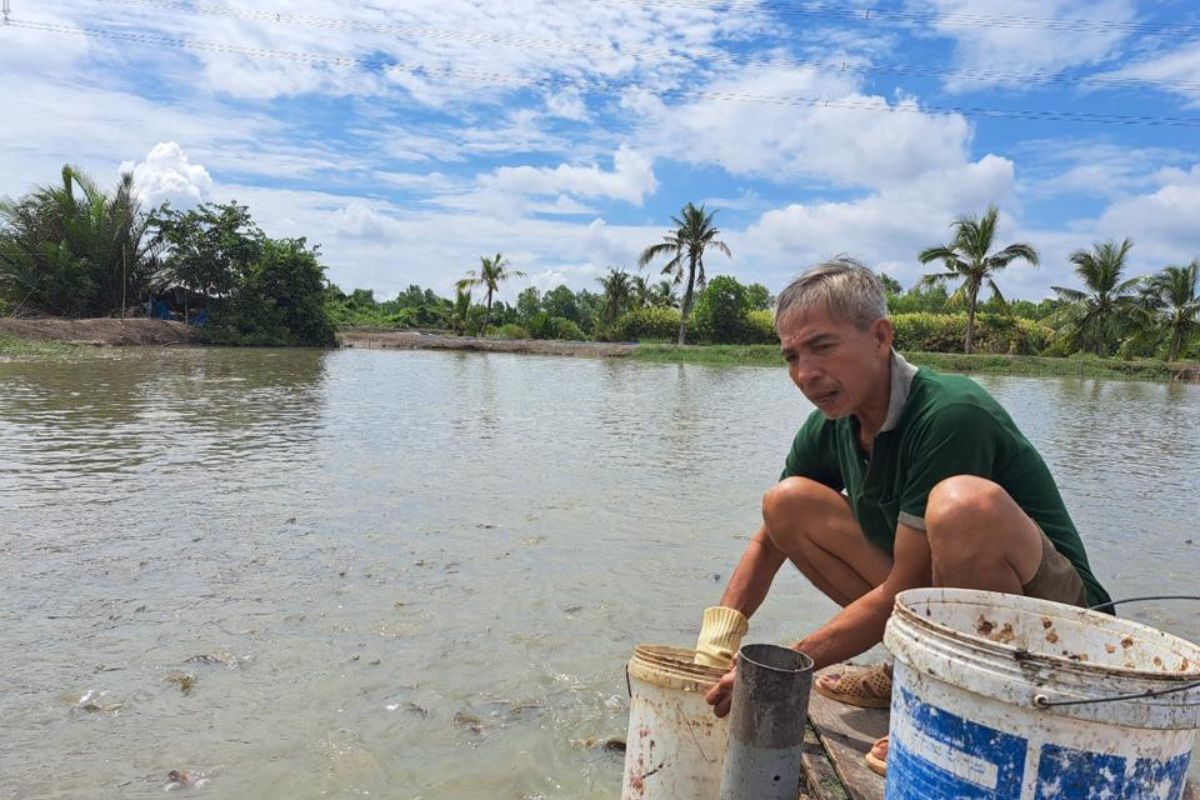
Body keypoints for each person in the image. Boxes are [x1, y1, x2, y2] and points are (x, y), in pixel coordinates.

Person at [694, 257, 1111, 777]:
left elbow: (905, 586)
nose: (805, 373)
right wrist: (717, 642)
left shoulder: (950, 413)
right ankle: (916, 668)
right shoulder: (832, 425)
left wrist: (784, 668)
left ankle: (961, 713)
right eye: (792, 356)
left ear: (880, 337)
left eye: (822, 347)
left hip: (1060, 627)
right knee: (786, 503)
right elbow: (767, 542)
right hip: (948, 611)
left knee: (963, 508)